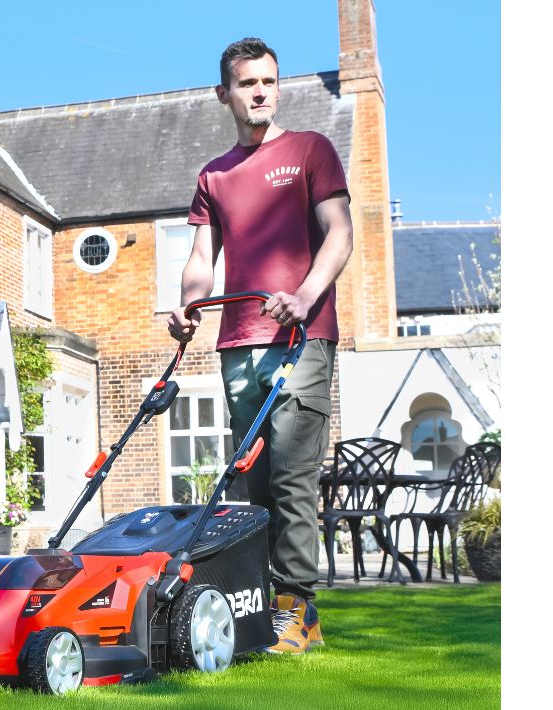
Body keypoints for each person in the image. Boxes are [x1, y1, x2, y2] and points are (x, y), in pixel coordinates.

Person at [167, 37, 353, 654]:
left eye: (269, 81)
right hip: (238, 344)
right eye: (247, 83)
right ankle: (265, 609)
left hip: (301, 339)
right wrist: (190, 302)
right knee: (254, 481)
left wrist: (304, 295)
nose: (260, 92)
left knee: (295, 478)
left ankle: (297, 610)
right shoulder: (214, 175)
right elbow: (201, 259)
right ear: (224, 93)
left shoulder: (310, 151)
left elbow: (340, 235)